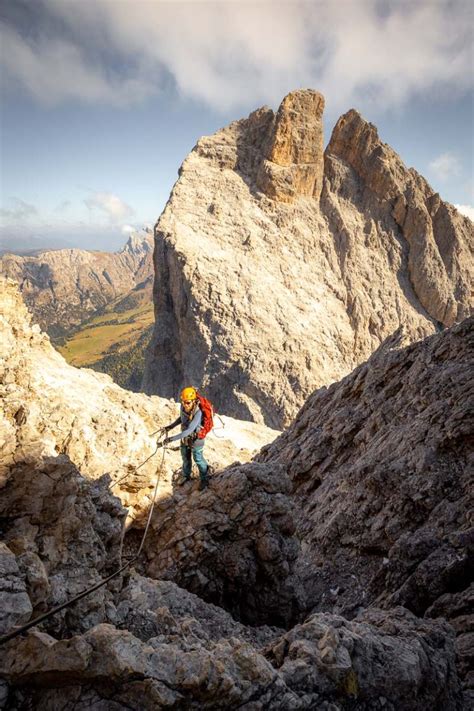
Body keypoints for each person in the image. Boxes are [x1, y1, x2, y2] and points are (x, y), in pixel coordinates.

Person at [160, 386, 210, 490]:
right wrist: (170, 427)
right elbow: (182, 419)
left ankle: (205, 478)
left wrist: (171, 439)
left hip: (197, 438)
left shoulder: (198, 412)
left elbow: (189, 430)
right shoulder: (183, 407)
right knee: (185, 457)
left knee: (198, 458)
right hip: (185, 438)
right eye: (183, 402)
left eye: (187, 402)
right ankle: (186, 475)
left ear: (194, 401)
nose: (184, 404)